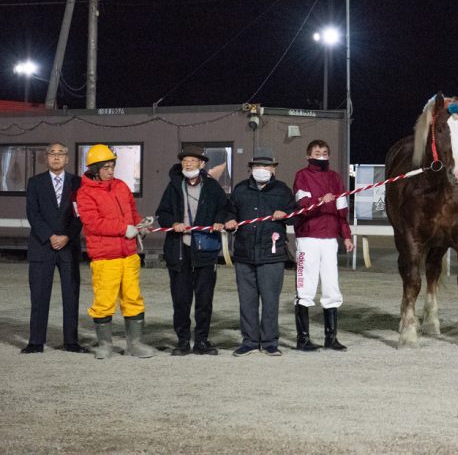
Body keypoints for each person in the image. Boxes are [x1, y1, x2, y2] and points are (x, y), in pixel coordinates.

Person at [76, 144, 156, 359]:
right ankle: (105, 346)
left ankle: (135, 344)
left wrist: (140, 224)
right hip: (105, 258)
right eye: (106, 167)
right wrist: (123, 229)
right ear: (94, 168)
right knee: (104, 301)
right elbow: (93, 224)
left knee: (133, 298)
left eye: (112, 166)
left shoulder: (121, 186)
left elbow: (131, 212)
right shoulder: (85, 193)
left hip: (128, 255)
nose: (111, 171)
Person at [155, 144, 230, 356]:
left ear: (202, 163)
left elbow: (225, 208)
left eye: (193, 160)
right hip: (179, 249)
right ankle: (182, 341)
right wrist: (174, 222)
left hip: (205, 248)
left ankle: (202, 341)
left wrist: (219, 220)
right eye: (185, 160)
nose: (188, 164)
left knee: (204, 299)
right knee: (180, 298)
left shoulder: (212, 187)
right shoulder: (173, 186)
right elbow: (162, 213)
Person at [225, 148, 295, 357]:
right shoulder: (240, 190)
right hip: (244, 254)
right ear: (250, 168)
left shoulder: (282, 190)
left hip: (272, 255)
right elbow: (230, 211)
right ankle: (250, 341)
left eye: (266, 166)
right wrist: (229, 220)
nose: (261, 170)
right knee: (246, 300)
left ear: (273, 169)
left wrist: (285, 215)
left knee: (270, 300)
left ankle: (270, 341)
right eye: (257, 166)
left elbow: (295, 216)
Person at [23, 143, 87, 353]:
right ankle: (35, 342)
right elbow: (33, 214)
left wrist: (67, 236)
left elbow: (81, 215)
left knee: (71, 294)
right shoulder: (35, 183)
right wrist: (50, 236)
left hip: (69, 247)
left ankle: (71, 341)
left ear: (67, 159)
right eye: (52, 153)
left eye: (61, 154)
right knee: (39, 295)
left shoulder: (78, 183)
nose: (56, 157)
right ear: (46, 158)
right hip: (42, 246)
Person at [292, 139, 354, 352]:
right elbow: (302, 205)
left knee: (331, 287)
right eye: (317, 152)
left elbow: (342, 210)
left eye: (325, 152)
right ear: (308, 155)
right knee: (305, 287)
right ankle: (303, 338)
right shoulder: (302, 176)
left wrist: (346, 236)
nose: (321, 156)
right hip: (308, 238)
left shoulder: (335, 178)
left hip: (329, 240)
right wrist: (321, 200)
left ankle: (331, 337)